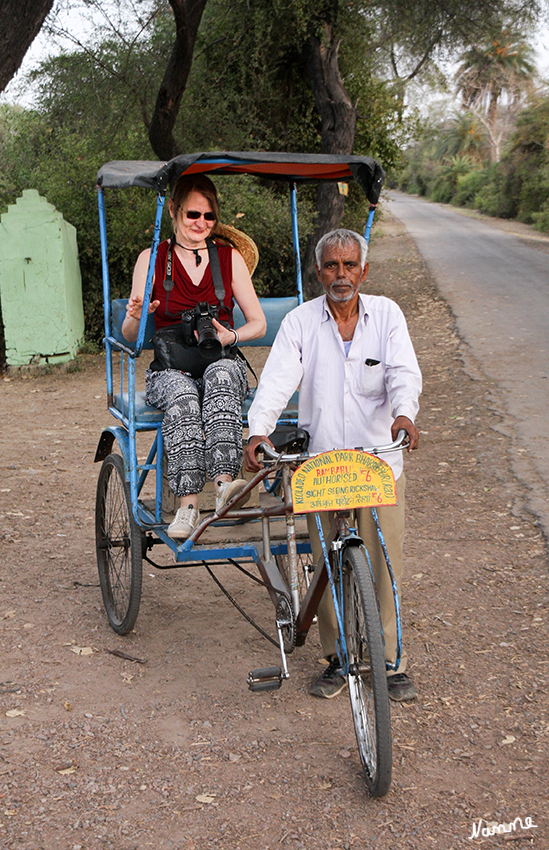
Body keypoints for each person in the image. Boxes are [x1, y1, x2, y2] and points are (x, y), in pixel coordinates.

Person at [245, 228, 422, 702]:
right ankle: (338, 658)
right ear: (318, 271)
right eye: (331, 266)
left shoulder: (387, 315)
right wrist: (258, 429)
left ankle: (389, 660)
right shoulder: (302, 322)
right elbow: (278, 380)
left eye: (349, 266)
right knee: (325, 564)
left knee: (385, 564)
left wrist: (405, 413)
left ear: (364, 271)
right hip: (321, 465)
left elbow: (404, 372)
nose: (340, 275)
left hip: (377, 464)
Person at [123, 173, 266, 540]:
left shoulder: (227, 258)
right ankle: (187, 507)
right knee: (184, 397)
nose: (201, 224)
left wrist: (229, 335)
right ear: (173, 211)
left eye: (208, 216)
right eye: (192, 215)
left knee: (220, 377)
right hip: (171, 365)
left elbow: (259, 324)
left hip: (219, 357)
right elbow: (130, 337)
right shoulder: (152, 258)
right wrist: (138, 316)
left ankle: (223, 488)